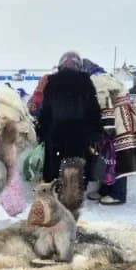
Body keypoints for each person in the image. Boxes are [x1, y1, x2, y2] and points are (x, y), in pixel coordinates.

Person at [36, 51, 101, 183]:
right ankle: (79, 186)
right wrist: (96, 133)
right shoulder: (86, 82)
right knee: (80, 165)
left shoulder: (51, 82)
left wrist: (41, 132)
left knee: (55, 166)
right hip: (80, 135)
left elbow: (46, 111)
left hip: (56, 134)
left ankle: (55, 185)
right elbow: (93, 110)